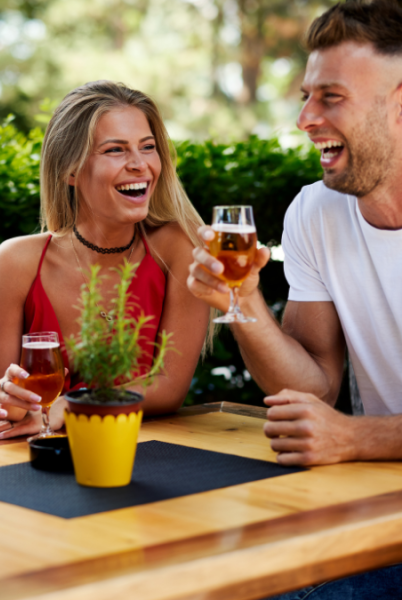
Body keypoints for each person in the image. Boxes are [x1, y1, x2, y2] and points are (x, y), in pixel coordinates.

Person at [187, 1, 402, 596]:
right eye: (306, 96)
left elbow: (339, 427)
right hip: (378, 511)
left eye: (330, 97)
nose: (305, 118)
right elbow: (315, 388)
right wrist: (245, 301)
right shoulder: (316, 211)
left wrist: (356, 438)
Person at [0, 81, 210, 440]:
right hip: (43, 457)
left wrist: (70, 406)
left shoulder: (178, 247)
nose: (139, 164)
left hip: (149, 454)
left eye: (147, 147)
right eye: (115, 150)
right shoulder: (13, 262)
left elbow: (169, 387)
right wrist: (10, 402)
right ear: (70, 171)